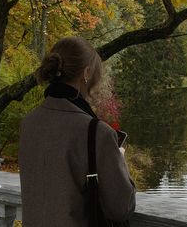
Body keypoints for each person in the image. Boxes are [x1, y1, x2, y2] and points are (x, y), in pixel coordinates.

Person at [18, 36, 136, 227]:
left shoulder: (29, 122)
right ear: (87, 73)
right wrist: (119, 159)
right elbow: (121, 208)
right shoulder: (96, 132)